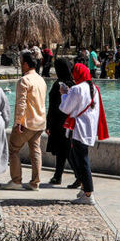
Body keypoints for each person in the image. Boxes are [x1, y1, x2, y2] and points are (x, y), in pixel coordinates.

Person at [0, 50, 47, 193]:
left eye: (20, 61)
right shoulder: (41, 79)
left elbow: (21, 103)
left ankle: (16, 180)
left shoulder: (24, 80)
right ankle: (35, 183)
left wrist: (18, 122)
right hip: (39, 122)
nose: (19, 63)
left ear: (25, 64)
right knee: (35, 151)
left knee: (13, 149)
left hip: (26, 123)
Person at [60, 62, 108, 205]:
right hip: (89, 129)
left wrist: (64, 94)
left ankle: (88, 194)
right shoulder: (94, 88)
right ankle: (84, 189)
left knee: (82, 162)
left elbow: (65, 108)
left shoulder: (77, 89)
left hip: (78, 130)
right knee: (80, 159)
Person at [45, 57, 75, 186]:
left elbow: (53, 107)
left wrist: (49, 125)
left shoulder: (59, 84)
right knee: (63, 151)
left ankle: (80, 176)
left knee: (65, 151)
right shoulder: (74, 83)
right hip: (70, 123)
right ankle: (58, 176)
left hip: (59, 123)